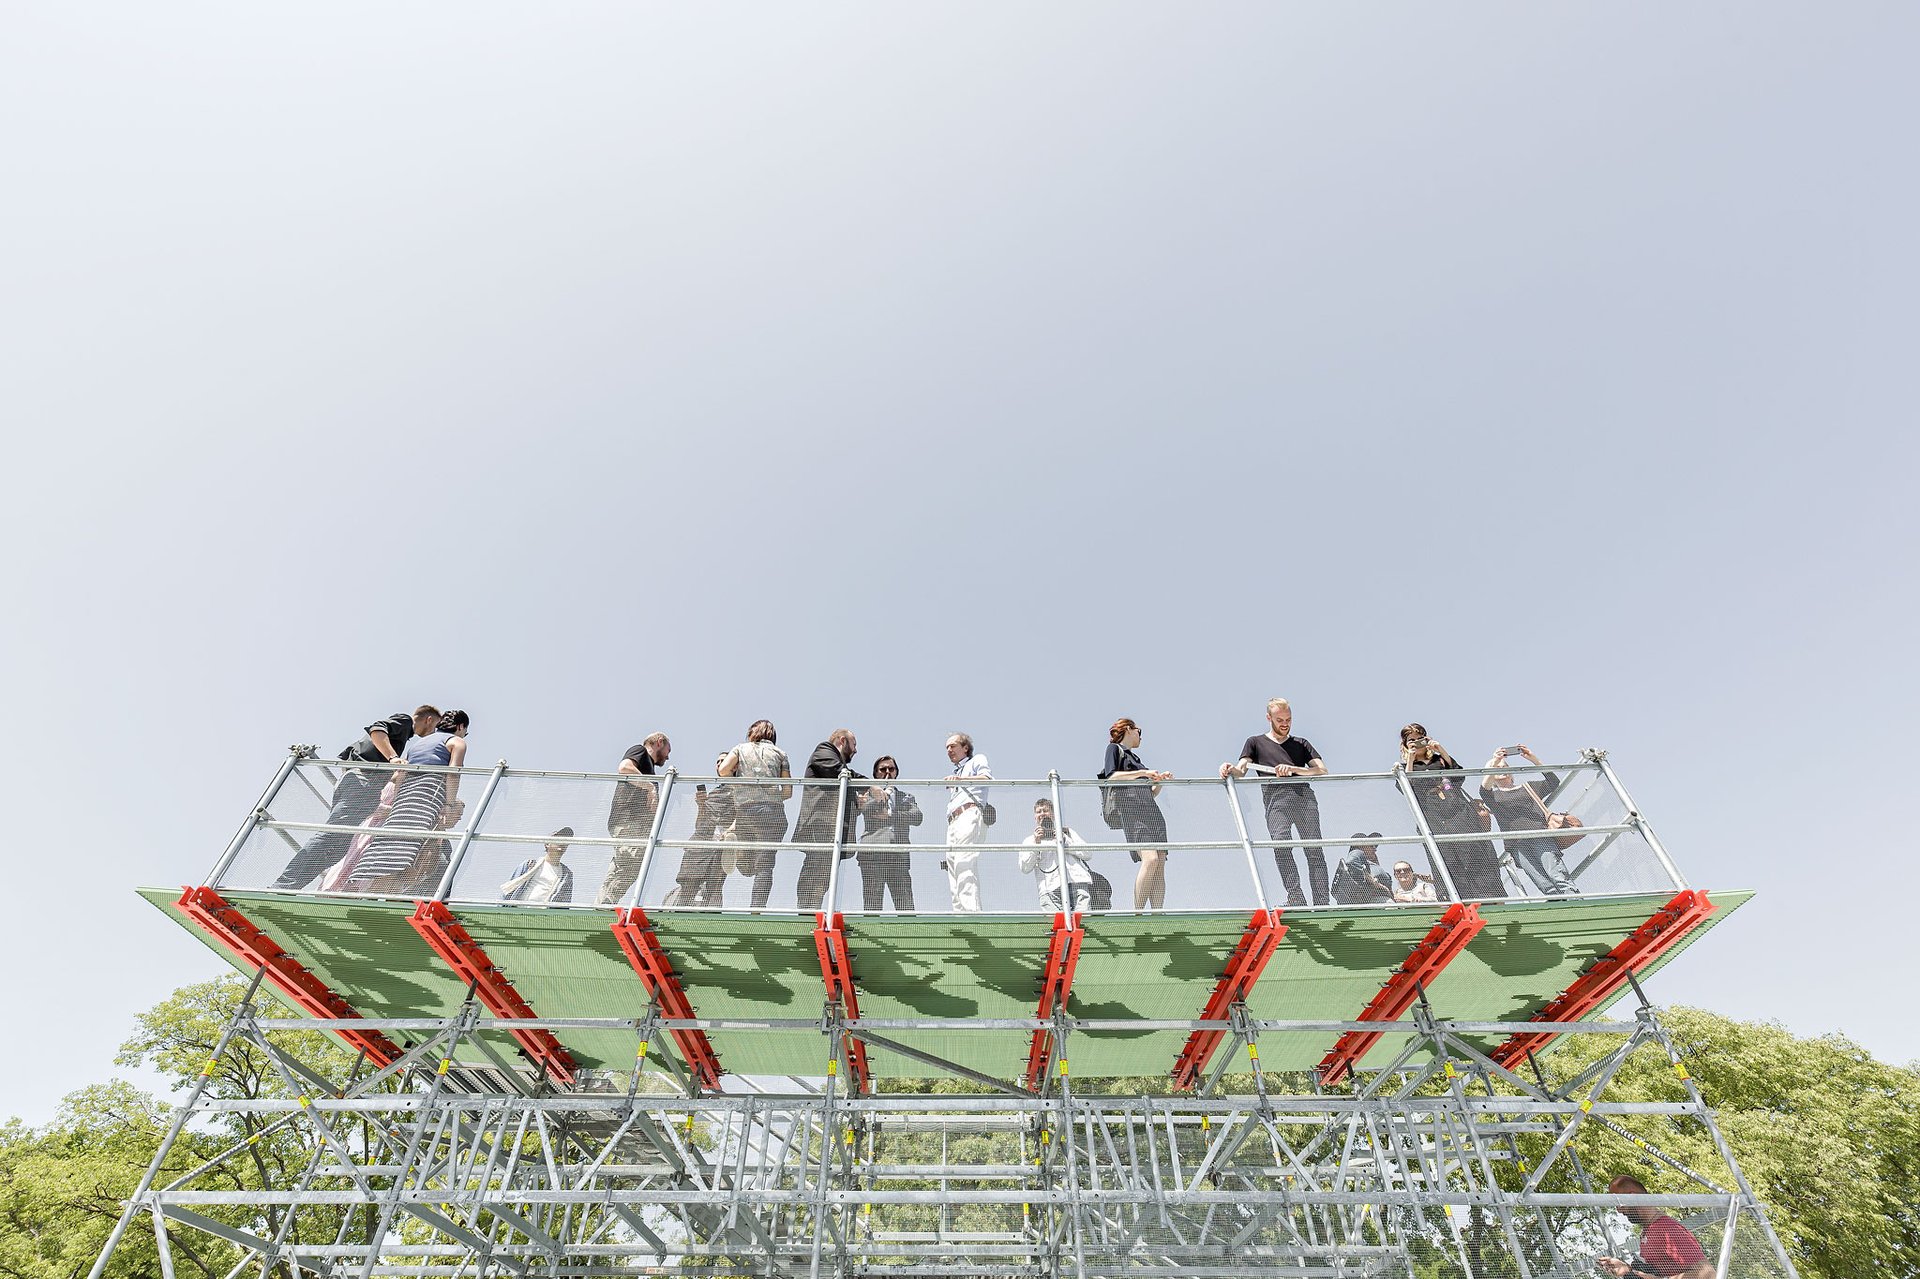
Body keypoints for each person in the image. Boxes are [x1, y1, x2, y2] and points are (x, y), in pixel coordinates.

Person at [272, 708, 431, 889]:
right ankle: (282, 886)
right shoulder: (405, 721)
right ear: (428, 719)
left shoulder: (402, 734)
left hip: (358, 782)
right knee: (331, 836)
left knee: (337, 849)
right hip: (363, 781)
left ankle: (290, 887)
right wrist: (393, 758)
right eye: (434, 727)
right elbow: (377, 729)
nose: (432, 733)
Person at [1219, 698, 1329, 907]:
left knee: (1314, 850)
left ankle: (1322, 903)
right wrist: (1228, 768)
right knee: (1280, 845)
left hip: (1304, 799)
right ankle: (1296, 898)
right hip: (1275, 802)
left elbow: (1322, 770)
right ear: (1269, 718)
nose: (1285, 724)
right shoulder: (1255, 742)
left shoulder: (1301, 743)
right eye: (1280, 720)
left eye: (1288, 719)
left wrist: (1293, 769)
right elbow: (1241, 770)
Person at [345, 710, 470, 892]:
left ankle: (371, 897)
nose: (464, 735)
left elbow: (400, 775)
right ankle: (387, 900)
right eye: (465, 731)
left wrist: (397, 802)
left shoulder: (418, 744)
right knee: (410, 855)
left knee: (389, 853)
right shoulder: (456, 742)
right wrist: (449, 804)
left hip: (404, 800)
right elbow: (453, 774)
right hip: (427, 800)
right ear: (460, 726)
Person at [1398, 724, 1504, 901]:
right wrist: (1410, 758)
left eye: (1420, 738)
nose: (1416, 742)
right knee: (1446, 858)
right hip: (1433, 817)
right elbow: (1408, 788)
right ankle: (1454, 899)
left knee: (1475, 852)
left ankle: (1490, 896)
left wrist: (1440, 749)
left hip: (1459, 811)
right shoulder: (1405, 767)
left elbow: (1458, 776)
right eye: (1411, 740)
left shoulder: (1439, 760)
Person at [1479, 745, 1578, 896]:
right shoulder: (1492, 797)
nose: (1501, 769)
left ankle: (1574, 899)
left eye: (1504, 766)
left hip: (1540, 837)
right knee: (1543, 884)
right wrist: (1495, 761)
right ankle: (1559, 905)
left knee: (1557, 874)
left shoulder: (1529, 787)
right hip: (1517, 844)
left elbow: (1553, 781)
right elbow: (1483, 789)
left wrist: (1533, 759)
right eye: (1496, 768)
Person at [1100, 718, 1174, 911]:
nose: (1140, 736)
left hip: (1151, 811)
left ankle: (1157, 915)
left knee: (1160, 863)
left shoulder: (1137, 760)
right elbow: (1111, 776)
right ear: (1128, 729)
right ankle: (1138, 913)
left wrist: (1160, 781)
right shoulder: (1114, 749)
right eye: (1139, 731)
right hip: (1132, 812)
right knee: (1150, 859)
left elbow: (1151, 793)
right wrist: (1144, 774)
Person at [718, 720, 793, 911]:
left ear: (751, 733)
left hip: (745, 810)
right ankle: (756, 909)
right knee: (765, 865)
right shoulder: (780, 754)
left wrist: (738, 787)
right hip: (772, 812)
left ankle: (737, 845)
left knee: (746, 866)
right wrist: (772, 795)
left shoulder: (740, 749)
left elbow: (723, 770)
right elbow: (788, 791)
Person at [792, 729, 865, 910]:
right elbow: (839, 771)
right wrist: (870, 785)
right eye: (854, 744)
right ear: (843, 740)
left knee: (823, 878)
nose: (855, 750)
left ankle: (812, 911)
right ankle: (805, 914)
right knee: (814, 873)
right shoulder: (824, 750)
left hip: (833, 829)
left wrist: (857, 800)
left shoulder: (836, 762)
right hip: (821, 826)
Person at [597, 733, 672, 907]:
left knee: (621, 866)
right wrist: (650, 787)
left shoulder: (649, 769)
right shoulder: (640, 751)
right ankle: (608, 901)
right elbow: (624, 768)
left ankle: (601, 903)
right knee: (636, 862)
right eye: (668, 750)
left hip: (635, 825)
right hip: (628, 821)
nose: (668, 756)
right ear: (659, 742)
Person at [1596, 1175, 1713, 1278]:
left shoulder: (1667, 1229)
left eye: (1619, 1203)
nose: (1619, 1210)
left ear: (1632, 1197)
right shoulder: (1648, 1231)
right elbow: (1655, 1274)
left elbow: (1708, 1274)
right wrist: (1627, 1269)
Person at [855, 755, 922, 911]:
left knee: (905, 905)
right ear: (875, 774)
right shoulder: (867, 796)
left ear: (896, 772)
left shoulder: (905, 797)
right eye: (882, 769)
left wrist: (892, 815)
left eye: (891, 769)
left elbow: (917, 817)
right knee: (872, 905)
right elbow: (863, 809)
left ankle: (908, 928)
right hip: (872, 854)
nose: (887, 772)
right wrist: (881, 794)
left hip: (898, 855)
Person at [667, 753, 734, 908]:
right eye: (717, 761)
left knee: (713, 885)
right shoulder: (715, 792)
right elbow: (700, 824)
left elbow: (742, 814)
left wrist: (729, 831)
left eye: (723, 760)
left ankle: (711, 915)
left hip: (721, 843)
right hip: (701, 841)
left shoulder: (740, 788)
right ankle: (680, 911)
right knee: (688, 881)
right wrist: (702, 805)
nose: (719, 764)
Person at [943, 733, 993, 913]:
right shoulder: (957, 771)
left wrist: (960, 780)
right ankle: (960, 913)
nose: (949, 750)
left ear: (965, 748)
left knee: (964, 861)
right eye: (947, 747)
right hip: (953, 820)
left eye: (953, 746)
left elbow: (987, 778)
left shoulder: (977, 759)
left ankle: (972, 912)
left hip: (968, 813)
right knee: (952, 864)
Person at [1019, 798, 1093, 913]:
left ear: (1053, 815)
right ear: (1035, 817)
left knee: (1083, 918)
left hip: (1075, 881)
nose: (1042, 814)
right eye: (1038, 812)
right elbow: (1025, 868)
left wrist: (1065, 840)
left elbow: (1088, 853)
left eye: (1045, 811)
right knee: (1056, 921)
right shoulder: (1029, 840)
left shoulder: (1067, 832)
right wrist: (1036, 844)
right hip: (1049, 888)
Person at [500, 828, 576, 904]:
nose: (562, 844)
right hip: (521, 908)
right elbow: (510, 889)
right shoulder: (529, 865)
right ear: (547, 844)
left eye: (565, 841)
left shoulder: (566, 875)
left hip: (543, 911)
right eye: (558, 840)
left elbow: (565, 903)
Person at [1329, 833, 1395, 905]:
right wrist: (1371, 881)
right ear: (1361, 846)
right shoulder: (1357, 852)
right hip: (1376, 901)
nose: (1375, 849)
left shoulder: (1369, 864)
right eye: (1372, 845)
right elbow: (1351, 862)